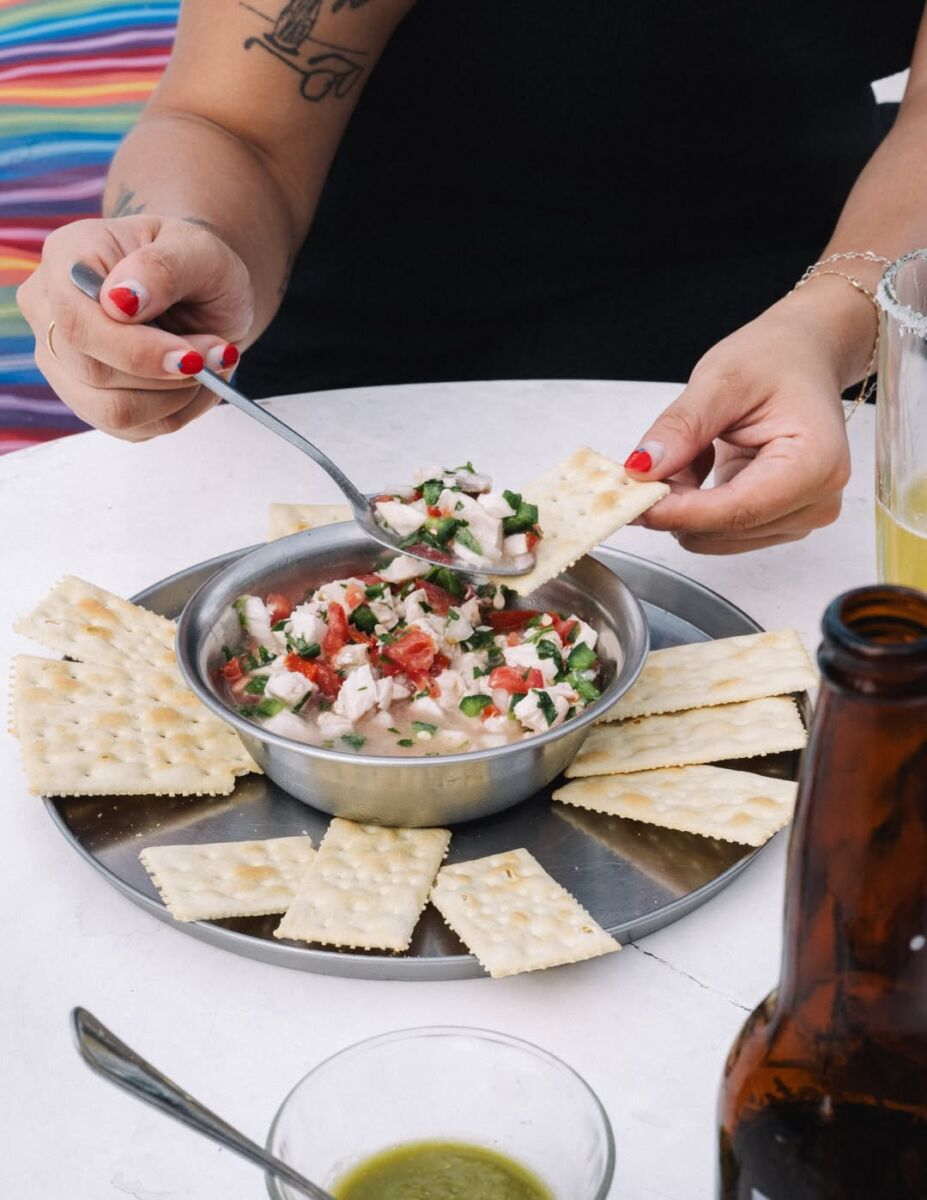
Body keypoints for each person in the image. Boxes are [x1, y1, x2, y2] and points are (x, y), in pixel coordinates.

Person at [17, 0, 927, 554]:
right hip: (375, 350)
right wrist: (178, 249)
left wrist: (830, 320)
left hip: (793, 310)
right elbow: (229, 122)